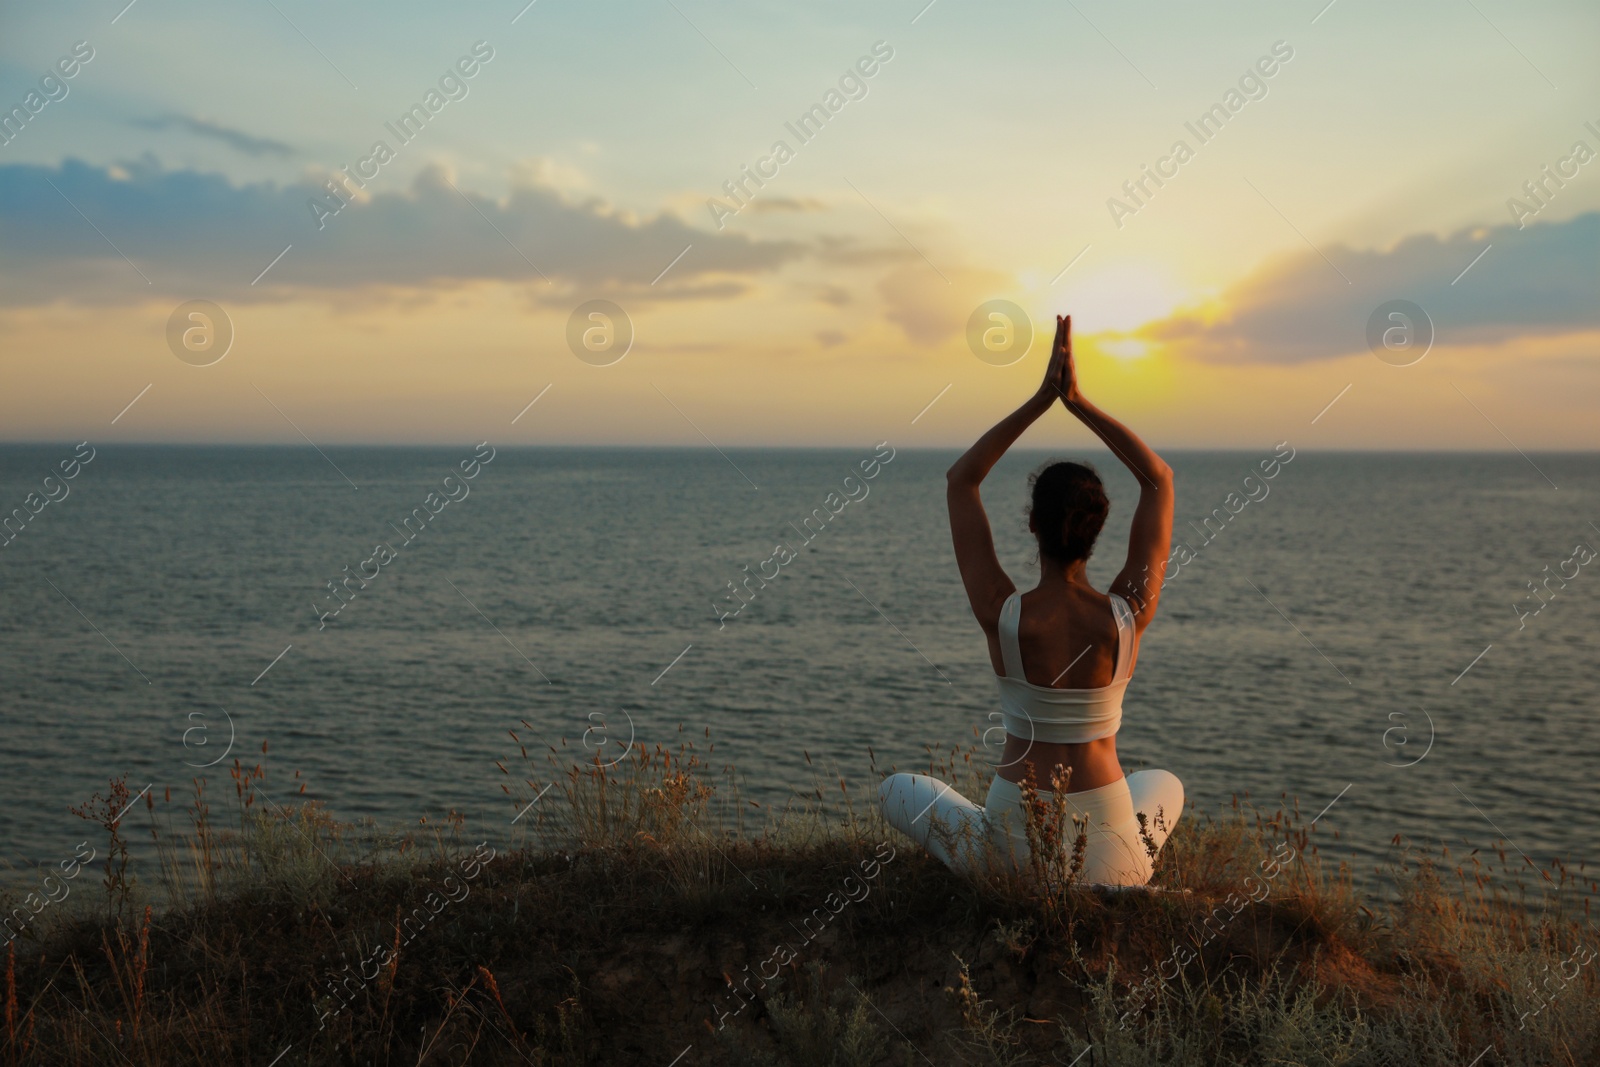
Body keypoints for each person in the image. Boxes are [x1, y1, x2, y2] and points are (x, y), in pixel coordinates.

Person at [877, 314, 1182, 886]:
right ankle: (1119, 876)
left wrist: (1043, 399)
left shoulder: (1003, 612)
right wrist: (1080, 403)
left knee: (897, 790)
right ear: (1097, 531)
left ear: (1033, 526)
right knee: (1165, 784)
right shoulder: (1129, 614)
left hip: (1013, 859)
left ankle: (1019, 865)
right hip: (1114, 861)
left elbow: (961, 480)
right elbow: (1158, 480)